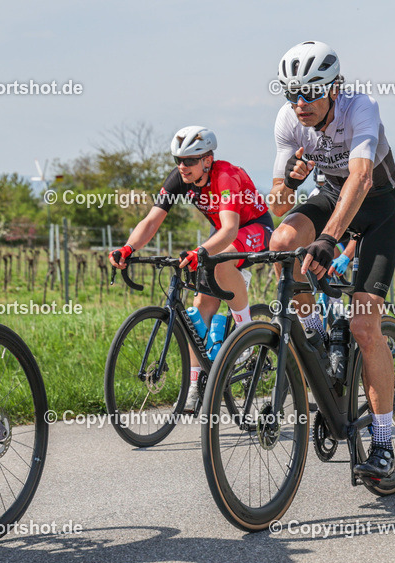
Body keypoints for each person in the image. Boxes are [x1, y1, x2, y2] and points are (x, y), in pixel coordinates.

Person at [267, 40, 395, 480]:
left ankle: (382, 444)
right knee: (280, 244)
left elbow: (361, 178)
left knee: (365, 325)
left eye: (310, 92)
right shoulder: (289, 121)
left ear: (334, 88)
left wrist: (329, 239)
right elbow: (276, 202)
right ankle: (317, 332)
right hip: (331, 195)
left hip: (379, 203)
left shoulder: (360, 106)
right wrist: (289, 182)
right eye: (292, 93)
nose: (300, 103)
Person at [109, 126, 273, 411]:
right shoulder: (179, 179)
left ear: (207, 160)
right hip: (223, 231)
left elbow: (231, 230)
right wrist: (128, 248)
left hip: (254, 227)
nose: (182, 166)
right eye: (177, 160)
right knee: (200, 303)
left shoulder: (226, 176)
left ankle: (245, 332)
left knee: (220, 267)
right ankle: (195, 386)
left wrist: (202, 252)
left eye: (189, 160)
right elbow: (151, 221)